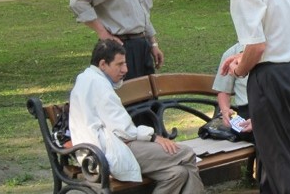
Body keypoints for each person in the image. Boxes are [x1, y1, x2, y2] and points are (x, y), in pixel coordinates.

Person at [214, 0, 290, 193]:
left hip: (270, 77)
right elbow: (277, 32)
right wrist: (243, 56)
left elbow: (257, 45)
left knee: (277, 155)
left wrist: (240, 68)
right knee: (275, 150)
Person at [69, 40, 204, 194]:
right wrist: (153, 137)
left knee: (177, 174)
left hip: (96, 153)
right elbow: (124, 130)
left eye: (125, 64)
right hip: (108, 153)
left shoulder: (86, 78)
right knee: (186, 153)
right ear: (102, 64)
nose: (125, 69)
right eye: (119, 64)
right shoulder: (99, 86)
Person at [213, 43, 290, 194]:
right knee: (273, 143)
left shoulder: (277, 50)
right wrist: (225, 110)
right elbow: (223, 90)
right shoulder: (231, 53)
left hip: (282, 105)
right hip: (249, 111)